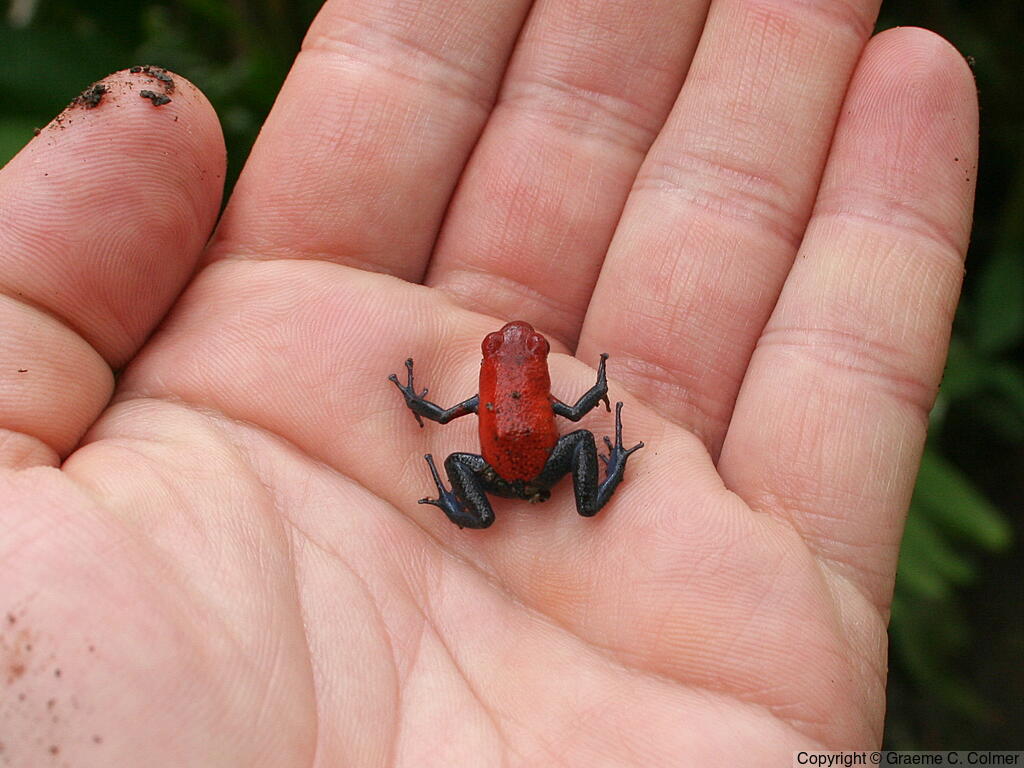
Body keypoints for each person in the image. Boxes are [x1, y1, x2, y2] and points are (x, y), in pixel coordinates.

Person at [0, 0, 977, 763]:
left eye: (523, 357)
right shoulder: (543, 396)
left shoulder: (481, 395)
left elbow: (437, 411)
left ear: (509, 371)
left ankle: (468, 500)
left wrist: (424, 430)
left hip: (497, 474)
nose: (520, 357)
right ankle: (583, 479)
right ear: (517, 370)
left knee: (510, 456)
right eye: (519, 357)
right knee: (586, 451)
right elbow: (582, 408)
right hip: (539, 467)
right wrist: (607, 425)